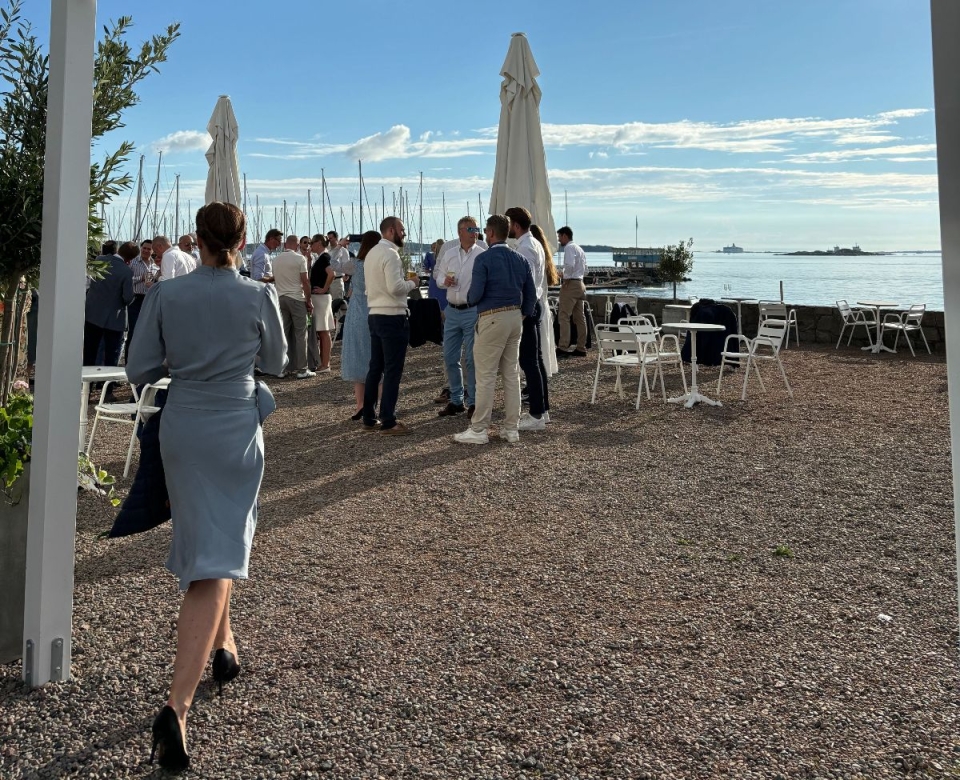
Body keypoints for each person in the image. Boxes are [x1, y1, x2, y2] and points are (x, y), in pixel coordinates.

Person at [126, 201, 286, 773]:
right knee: (216, 558)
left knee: (216, 541)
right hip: (235, 425)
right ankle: (177, 707)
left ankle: (225, 646)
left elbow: (140, 368)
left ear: (196, 239)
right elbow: (278, 360)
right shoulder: (258, 294)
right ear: (242, 242)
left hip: (185, 425)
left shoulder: (167, 295)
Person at [454, 215, 535, 445]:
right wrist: (521, 314)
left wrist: (470, 298)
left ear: (490, 233)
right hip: (515, 317)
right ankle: (511, 428)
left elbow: (475, 294)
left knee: (486, 375)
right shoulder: (520, 259)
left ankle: (479, 429)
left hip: (492, 317)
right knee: (511, 375)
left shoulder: (484, 259)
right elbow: (530, 295)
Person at [361, 216, 418, 435]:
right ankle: (388, 420)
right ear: (391, 231)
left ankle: (369, 416)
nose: (404, 233)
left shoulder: (372, 253)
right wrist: (413, 283)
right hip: (392, 316)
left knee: (375, 368)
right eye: (402, 230)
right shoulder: (391, 254)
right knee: (393, 370)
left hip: (375, 314)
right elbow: (395, 288)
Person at [434, 217, 485, 418]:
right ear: (460, 232)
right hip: (452, 310)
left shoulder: (482, 254)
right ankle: (456, 400)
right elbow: (438, 276)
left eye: (476, 229)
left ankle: (473, 402)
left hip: (472, 310)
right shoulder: (449, 253)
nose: (475, 233)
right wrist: (444, 280)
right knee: (449, 357)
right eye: (471, 229)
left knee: (471, 359)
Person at [506, 207, 549, 430]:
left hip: (528, 308)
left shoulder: (525, 248)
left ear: (515, 225)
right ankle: (543, 409)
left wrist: (522, 312)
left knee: (529, 362)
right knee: (536, 360)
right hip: (535, 305)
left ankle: (536, 414)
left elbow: (526, 283)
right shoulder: (535, 244)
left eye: (508, 224)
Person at [83, 240, 134, 387]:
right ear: (130, 259)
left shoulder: (99, 260)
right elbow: (127, 297)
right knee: (111, 355)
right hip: (114, 318)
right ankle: (107, 388)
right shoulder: (126, 271)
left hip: (92, 314)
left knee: (90, 352)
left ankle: (86, 386)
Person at [340, 231, 380, 418]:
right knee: (377, 357)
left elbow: (334, 265)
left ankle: (360, 404)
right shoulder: (379, 263)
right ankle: (379, 405)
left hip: (357, 312)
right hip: (376, 309)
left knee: (357, 356)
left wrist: (340, 246)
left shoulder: (355, 264)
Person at [272, 234, 316, 379]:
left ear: (285, 245)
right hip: (296, 298)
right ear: (297, 245)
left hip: (280, 298)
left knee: (283, 334)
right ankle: (302, 369)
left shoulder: (275, 260)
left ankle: (282, 368)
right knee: (301, 334)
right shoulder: (300, 259)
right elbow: (305, 282)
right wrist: (309, 301)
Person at [556, 225, 588, 357]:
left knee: (564, 316)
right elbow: (586, 270)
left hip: (571, 284)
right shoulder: (579, 249)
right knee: (580, 317)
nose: (559, 240)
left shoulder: (569, 248)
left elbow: (569, 265)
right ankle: (581, 347)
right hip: (580, 283)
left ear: (565, 235)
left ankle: (563, 346)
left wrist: (565, 277)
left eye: (559, 237)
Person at [126, 239, 159, 362]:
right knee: (133, 331)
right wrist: (141, 278)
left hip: (149, 300)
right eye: (144, 248)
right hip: (135, 299)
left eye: (149, 249)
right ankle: (129, 360)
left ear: (152, 251)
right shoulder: (133, 263)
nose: (145, 250)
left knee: (148, 332)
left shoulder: (155, 265)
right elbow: (127, 281)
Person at [309, 234, 335, 372]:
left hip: (321, 298)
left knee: (323, 331)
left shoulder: (324, 257)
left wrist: (324, 288)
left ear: (318, 243)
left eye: (312, 243)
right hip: (320, 298)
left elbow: (331, 273)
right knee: (322, 331)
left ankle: (325, 364)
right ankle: (323, 362)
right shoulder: (321, 257)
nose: (310, 245)